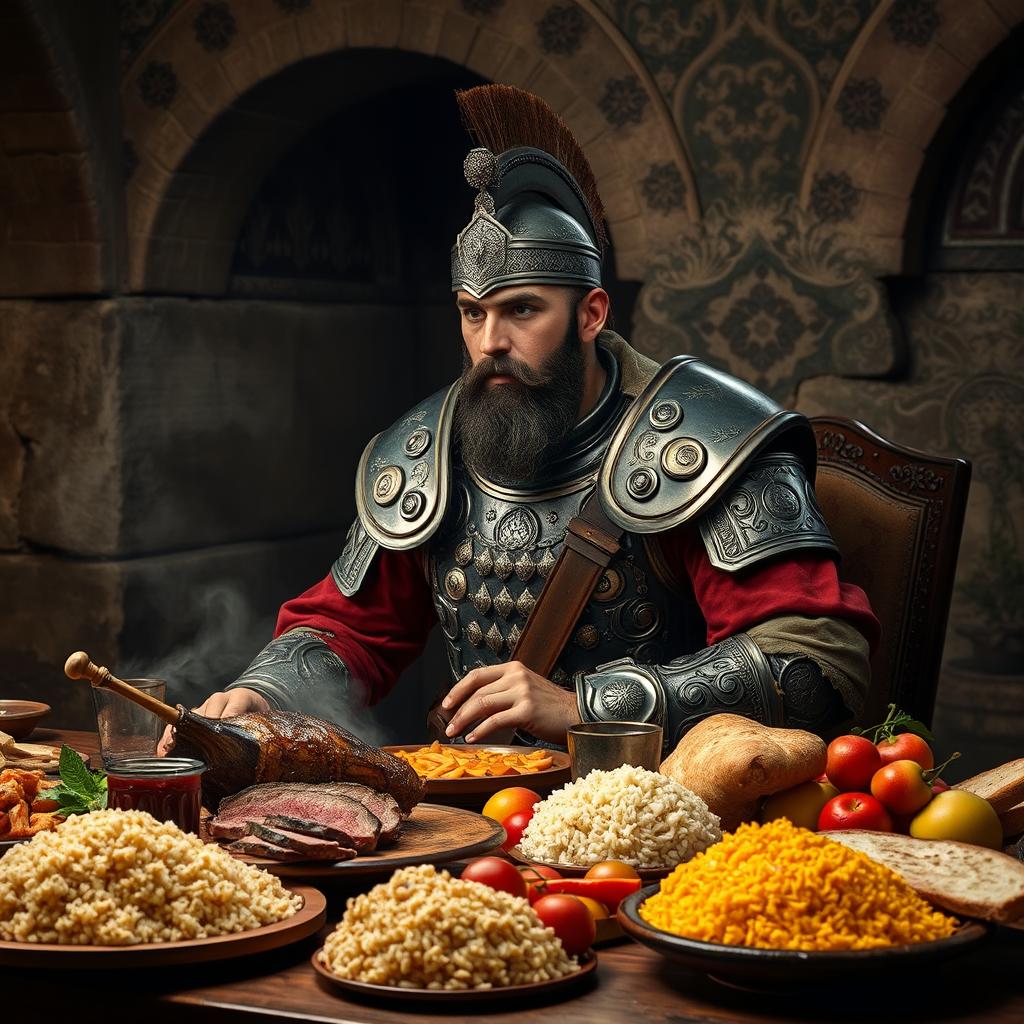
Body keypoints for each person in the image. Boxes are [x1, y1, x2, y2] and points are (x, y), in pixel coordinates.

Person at [163, 86, 877, 756]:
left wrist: (585, 706)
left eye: (522, 310)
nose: (489, 343)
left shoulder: (704, 439)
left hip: (661, 811)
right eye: (473, 314)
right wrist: (266, 693)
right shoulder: (429, 447)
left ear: (591, 314)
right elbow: (349, 627)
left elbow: (817, 666)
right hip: (481, 811)